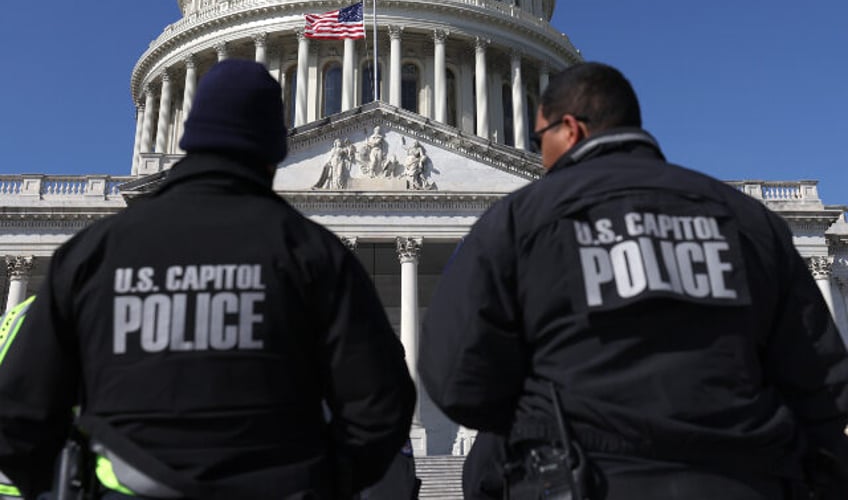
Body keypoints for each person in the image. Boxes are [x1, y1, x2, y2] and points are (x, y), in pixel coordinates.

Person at [419, 62, 848, 499]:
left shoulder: (517, 222)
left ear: (570, 130)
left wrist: (532, 420)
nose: (539, 156)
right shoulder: (747, 221)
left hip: (583, 476)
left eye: (538, 140)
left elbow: (454, 379)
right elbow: (824, 385)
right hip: (739, 479)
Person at [0, 59, 416, 500]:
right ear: (279, 146)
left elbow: (17, 412)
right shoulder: (313, 253)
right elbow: (382, 406)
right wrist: (325, 481)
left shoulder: (92, 255)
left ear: (189, 134)